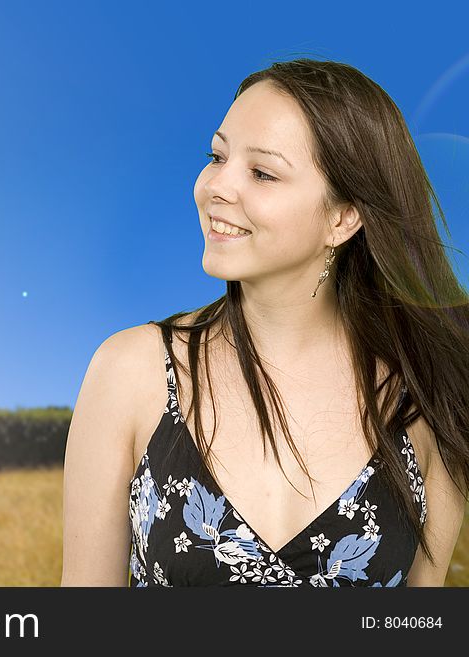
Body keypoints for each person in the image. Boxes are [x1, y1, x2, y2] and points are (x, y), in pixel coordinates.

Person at [61, 58, 469, 587]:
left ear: (343, 218)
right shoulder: (130, 372)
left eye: (262, 173)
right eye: (217, 156)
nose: (214, 188)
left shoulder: (428, 400)